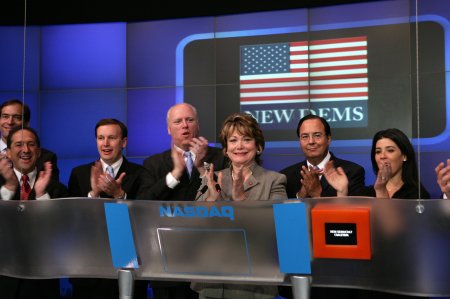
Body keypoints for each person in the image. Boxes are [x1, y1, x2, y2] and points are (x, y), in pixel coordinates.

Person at [192, 112, 287, 299]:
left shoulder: (274, 180)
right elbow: (193, 224)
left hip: (254, 284)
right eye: (233, 140)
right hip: (213, 282)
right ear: (226, 149)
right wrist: (211, 199)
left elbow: (275, 229)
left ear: (258, 147)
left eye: (247, 139)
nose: (239, 146)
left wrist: (242, 201)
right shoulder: (211, 178)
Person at [143, 103, 227, 299]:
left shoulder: (221, 157)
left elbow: (225, 200)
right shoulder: (153, 163)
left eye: (190, 120)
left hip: (210, 260)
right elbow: (144, 203)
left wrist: (201, 168)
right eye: (178, 121)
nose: (185, 126)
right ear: (168, 128)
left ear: (198, 125)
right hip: (168, 261)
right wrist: (175, 174)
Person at [68, 118, 152, 299]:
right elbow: (73, 220)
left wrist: (120, 195)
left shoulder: (141, 173)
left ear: (123, 142)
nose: (105, 143)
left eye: (111, 138)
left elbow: (144, 217)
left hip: (127, 264)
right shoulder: (79, 173)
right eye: (100, 138)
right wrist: (94, 194)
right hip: (89, 267)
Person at [0, 126, 67, 299]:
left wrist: (41, 196)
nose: (25, 150)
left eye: (31, 145)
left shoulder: (57, 189)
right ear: (8, 152)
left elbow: (62, 234)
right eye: (19, 144)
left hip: (42, 283)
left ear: (38, 152)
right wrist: (8, 189)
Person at [324, 128, 430, 199]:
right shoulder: (366, 193)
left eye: (390, 150)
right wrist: (342, 191)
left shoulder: (417, 195)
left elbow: (391, 229)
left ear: (404, 156)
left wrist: (381, 190)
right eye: (378, 151)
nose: (382, 156)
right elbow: (346, 224)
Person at [280, 114, 366, 199]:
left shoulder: (352, 172)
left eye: (317, 135)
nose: (311, 141)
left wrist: (318, 195)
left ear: (328, 139)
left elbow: (353, 211)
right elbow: (285, 213)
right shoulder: (286, 176)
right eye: (305, 136)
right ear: (300, 141)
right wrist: (301, 196)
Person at [0, 99, 60, 180]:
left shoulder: (46, 158)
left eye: (17, 117)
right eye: (5, 116)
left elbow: (52, 190)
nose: (10, 122)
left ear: (27, 123)